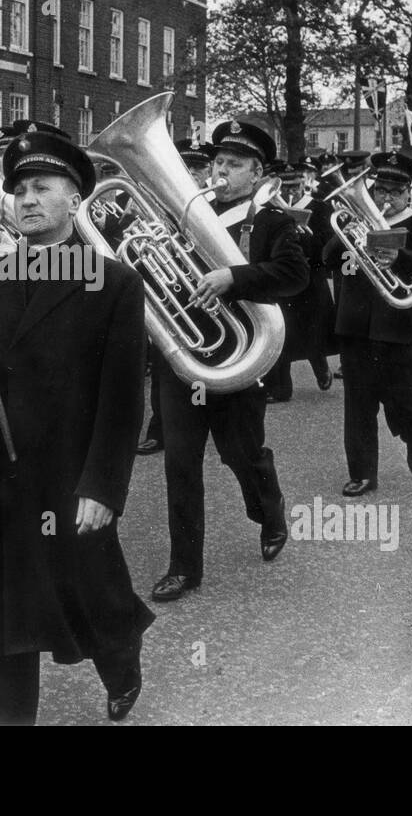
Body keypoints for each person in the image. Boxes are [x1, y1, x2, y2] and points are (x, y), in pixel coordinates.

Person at [0, 126, 153, 725]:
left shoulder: (114, 285)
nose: (27, 200)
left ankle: (121, 655)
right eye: (18, 189)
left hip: (67, 476)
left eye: (42, 187)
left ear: (74, 199)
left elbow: (124, 400)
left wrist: (104, 487)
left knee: (91, 594)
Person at [150, 119, 308, 602]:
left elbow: (294, 274)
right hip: (185, 357)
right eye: (217, 162)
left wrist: (233, 279)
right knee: (180, 464)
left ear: (257, 172)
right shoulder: (185, 213)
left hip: (239, 358)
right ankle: (184, 567)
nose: (220, 171)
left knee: (240, 454)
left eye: (233, 164)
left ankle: (270, 510)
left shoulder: (273, 222)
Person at [323, 151, 412, 497]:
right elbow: (328, 258)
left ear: (408, 193)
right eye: (380, 191)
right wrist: (345, 229)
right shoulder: (356, 221)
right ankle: (362, 473)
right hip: (355, 325)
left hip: (397, 327)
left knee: (401, 398)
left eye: (394, 192)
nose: (386, 198)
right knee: (358, 403)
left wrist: (400, 257)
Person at [137, 136, 214, 456]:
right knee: (166, 365)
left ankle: (205, 422)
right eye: (185, 167)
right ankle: (161, 427)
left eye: (197, 170)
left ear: (207, 172)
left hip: (207, 299)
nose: (189, 175)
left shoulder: (214, 206)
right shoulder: (158, 205)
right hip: (168, 296)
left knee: (206, 365)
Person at [262, 161, 335, 402]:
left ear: (302, 184)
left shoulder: (319, 207)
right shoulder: (269, 211)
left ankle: (320, 365)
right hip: (283, 277)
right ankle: (280, 388)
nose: (289, 193)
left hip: (311, 277)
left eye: (294, 187)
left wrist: (303, 236)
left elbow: (326, 246)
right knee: (281, 332)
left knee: (314, 330)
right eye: (284, 188)